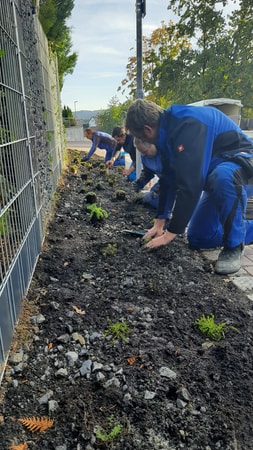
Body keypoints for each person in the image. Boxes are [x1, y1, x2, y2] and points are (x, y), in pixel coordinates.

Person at [125, 98, 253, 275]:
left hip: (241, 168)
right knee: (198, 238)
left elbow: (190, 185)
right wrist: (159, 223)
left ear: (147, 130)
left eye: (139, 137)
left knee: (222, 177)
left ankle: (233, 247)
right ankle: (243, 228)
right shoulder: (166, 137)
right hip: (215, 182)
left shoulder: (188, 124)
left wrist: (170, 234)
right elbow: (169, 180)